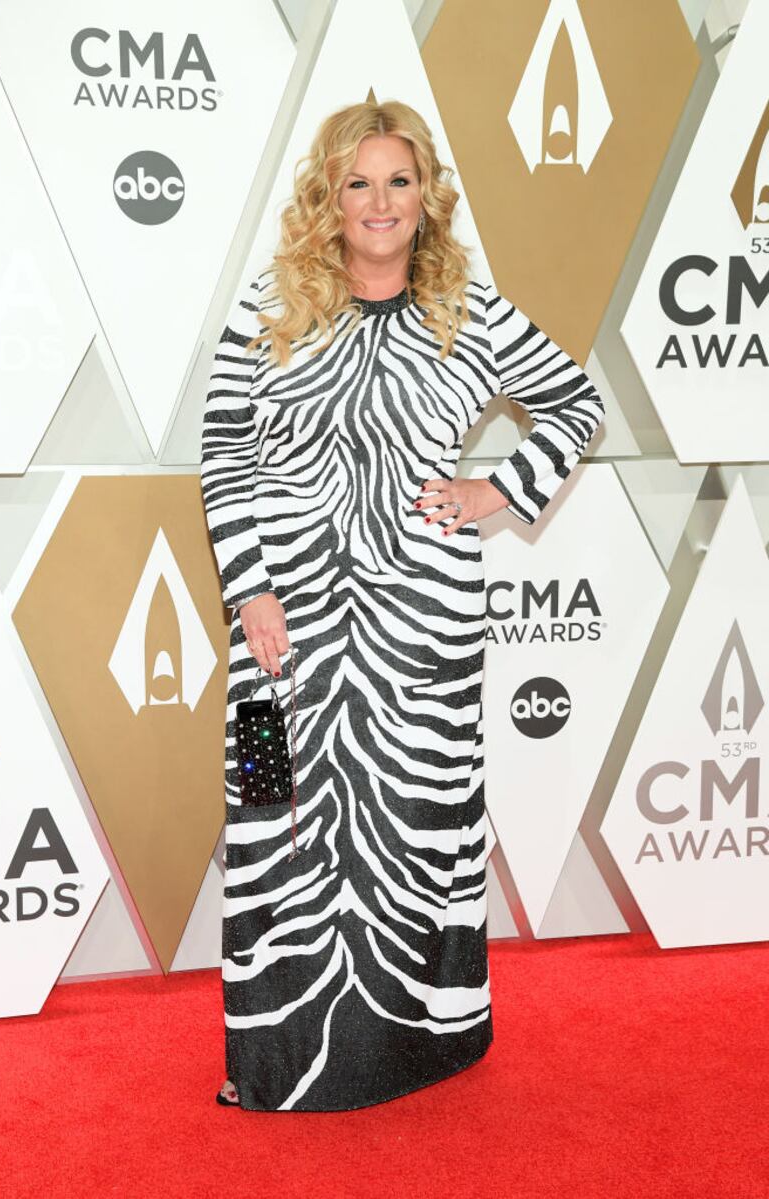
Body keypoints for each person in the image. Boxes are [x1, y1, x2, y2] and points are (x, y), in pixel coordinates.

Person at [200, 99, 604, 1112]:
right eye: (357, 182)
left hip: (423, 631)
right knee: (263, 818)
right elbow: (223, 454)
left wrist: (494, 491)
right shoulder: (270, 307)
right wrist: (247, 584)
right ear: (326, 198)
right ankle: (270, 1061)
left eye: (398, 181)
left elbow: (574, 402)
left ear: (425, 195)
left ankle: (425, 1036)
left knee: (423, 817)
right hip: (273, 639)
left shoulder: (466, 309)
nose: (379, 202)